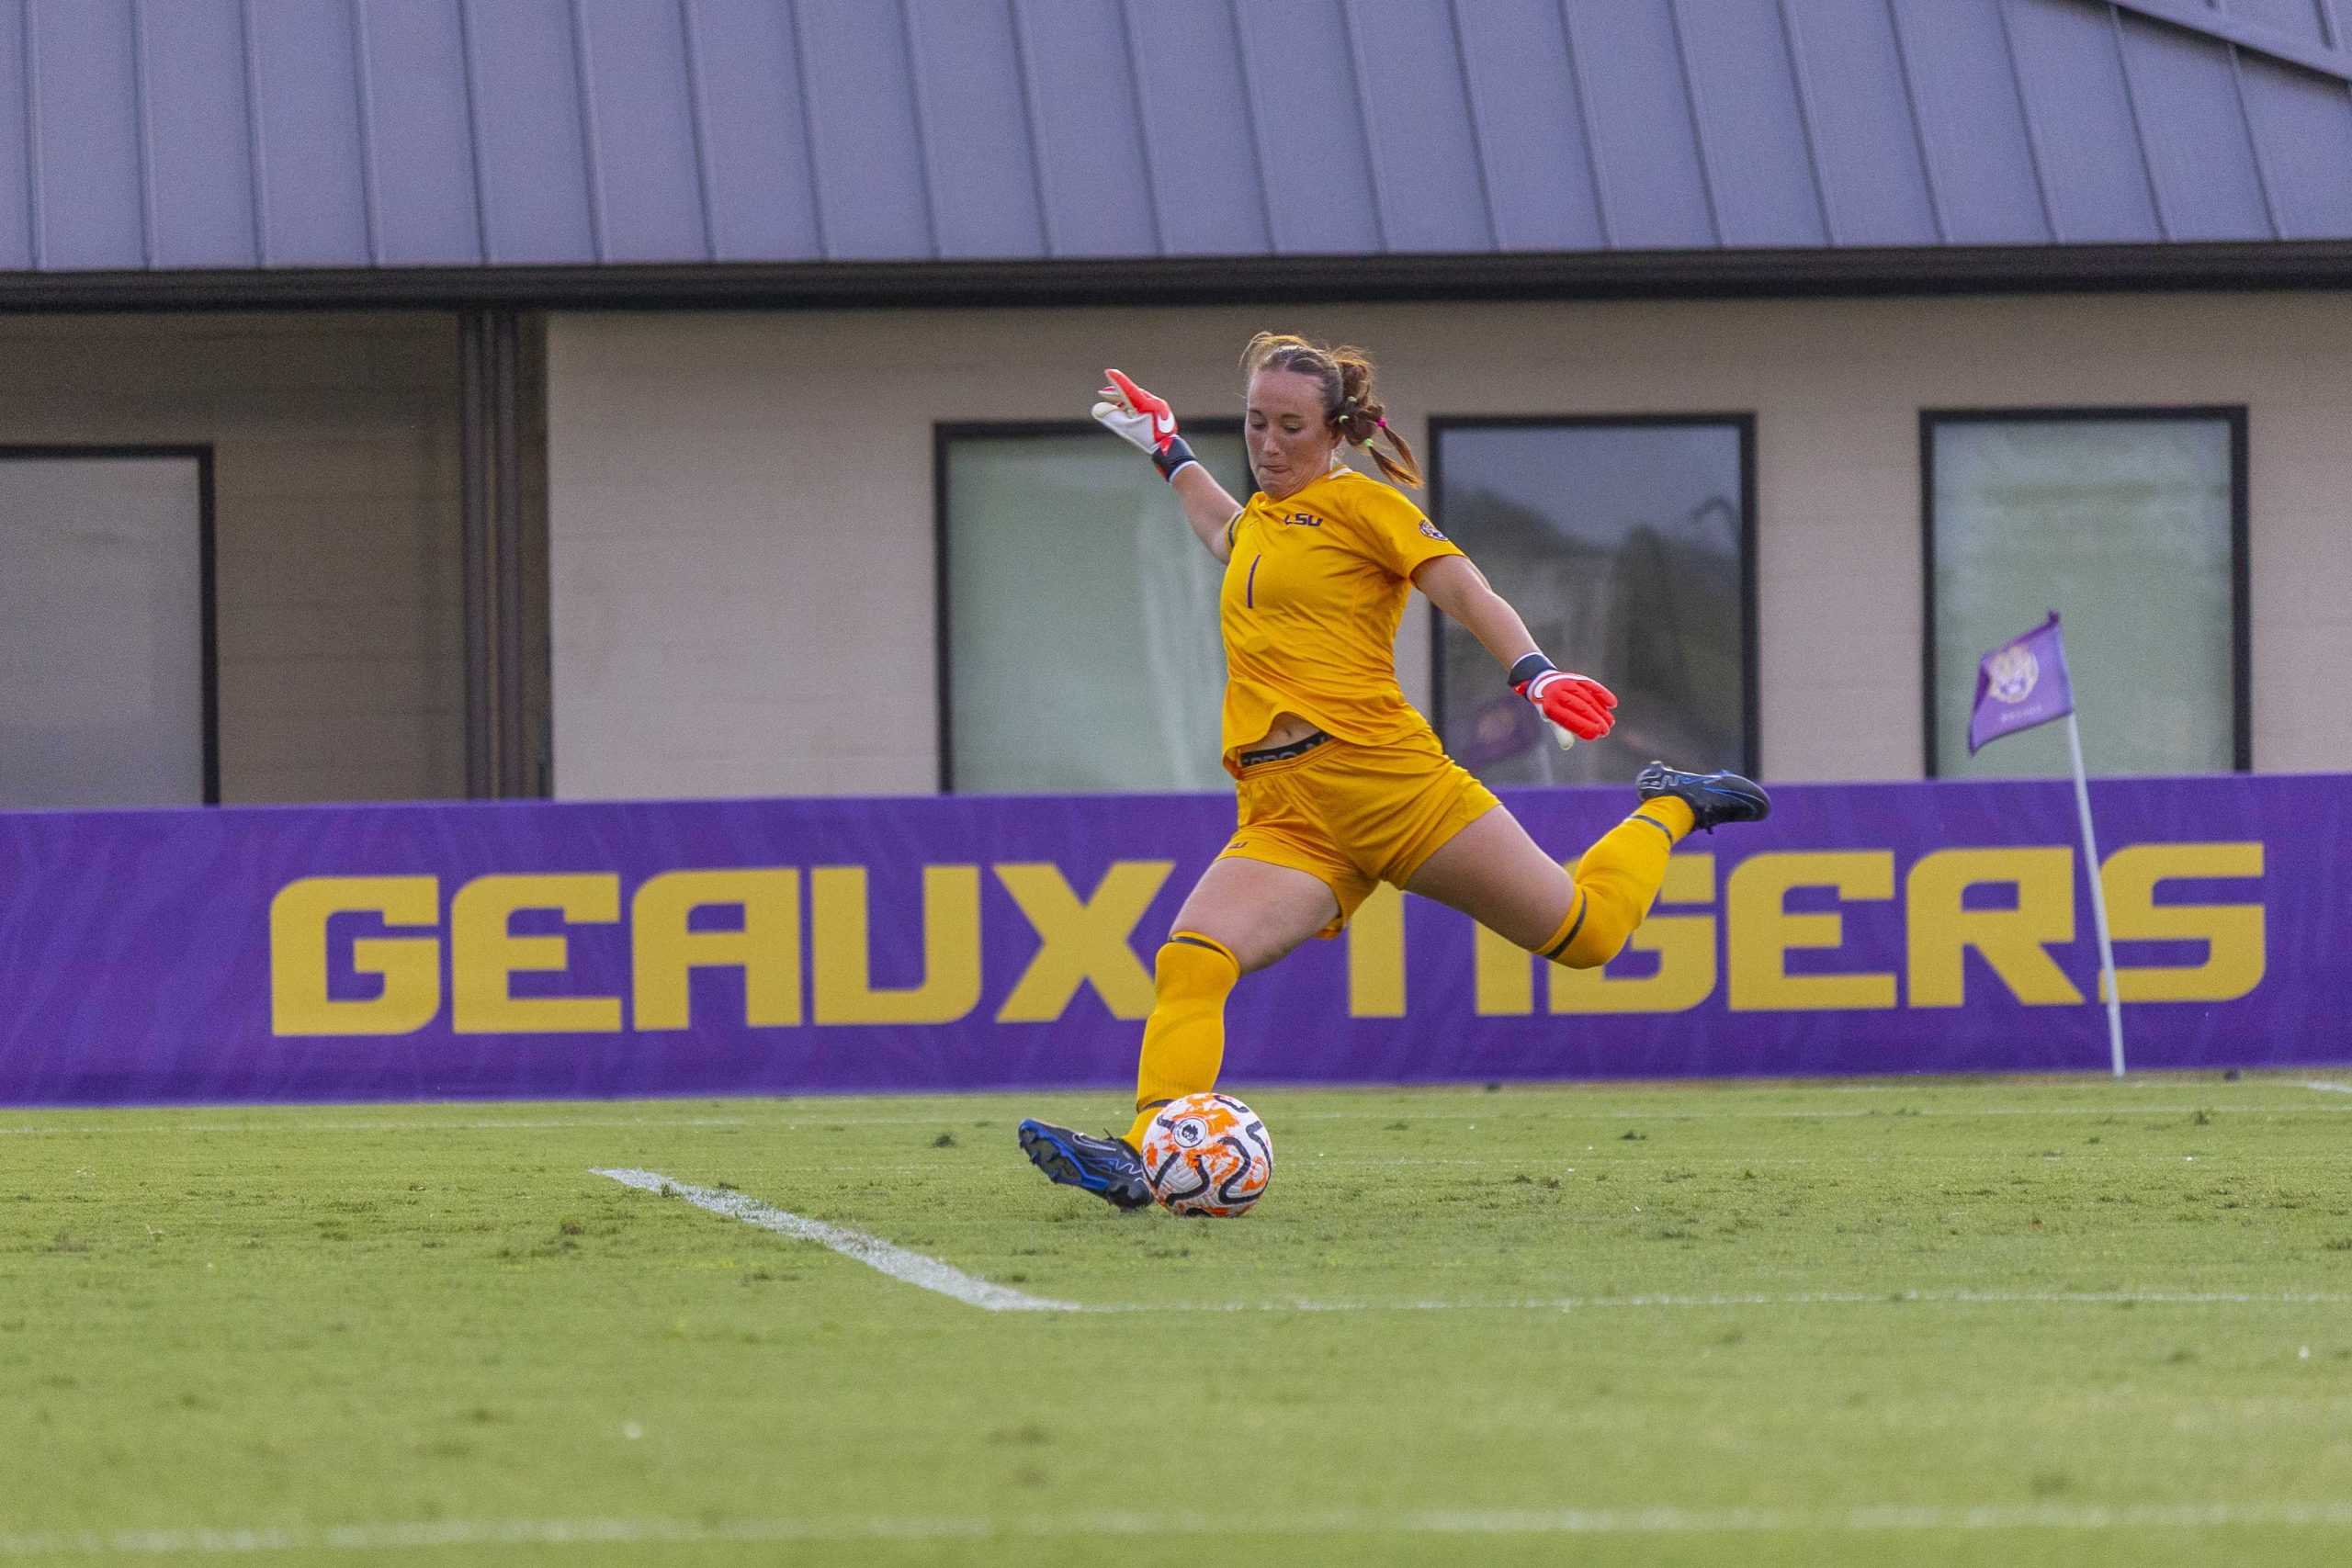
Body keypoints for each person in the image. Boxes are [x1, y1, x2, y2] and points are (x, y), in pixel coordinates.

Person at [1017, 333, 1769, 1209]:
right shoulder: (1263, 520)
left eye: (1289, 426)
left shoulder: (1363, 504)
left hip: (1392, 787)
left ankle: (1671, 807)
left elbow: (1462, 587)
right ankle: (1148, 1157)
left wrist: (1536, 672)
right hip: (1287, 815)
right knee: (1192, 958)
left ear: (1334, 432)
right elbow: (1223, 529)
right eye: (1256, 422)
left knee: (1587, 934)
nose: (1267, 443)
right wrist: (1169, 447)